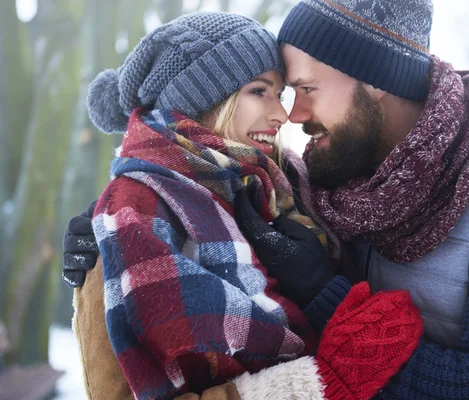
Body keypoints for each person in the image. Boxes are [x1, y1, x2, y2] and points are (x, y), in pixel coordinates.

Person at [65, 1, 469, 399]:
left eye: (305, 88)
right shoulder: (323, 177)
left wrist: (324, 292)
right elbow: (211, 186)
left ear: (376, 78)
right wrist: (120, 218)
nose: (292, 116)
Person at [62, 10, 422, 400]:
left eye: (279, 93)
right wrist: (317, 383)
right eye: (258, 91)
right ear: (202, 98)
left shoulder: (285, 184)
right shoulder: (134, 210)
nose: (282, 115)